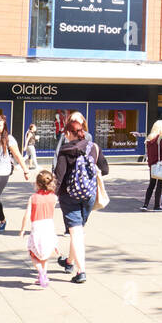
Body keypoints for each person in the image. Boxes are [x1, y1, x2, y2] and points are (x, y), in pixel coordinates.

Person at [54, 111, 107, 284]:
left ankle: (81, 270)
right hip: (89, 195)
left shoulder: (65, 150)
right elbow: (105, 170)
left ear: (69, 133)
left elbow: (59, 177)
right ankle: (69, 261)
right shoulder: (93, 147)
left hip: (69, 196)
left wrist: (51, 196)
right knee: (77, 231)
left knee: (75, 231)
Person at [19, 169, 61, 288]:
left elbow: (26, 215)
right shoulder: (54, 197)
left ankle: (41, 273)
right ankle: (44, 275)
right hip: (49, 226)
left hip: (37, 227)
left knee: (33, 253)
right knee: (45, 253)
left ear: (37, 183)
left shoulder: (33, 198)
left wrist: (22, 229)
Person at [143, 119, 162, 211]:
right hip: (160, 165)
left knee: (151, 185)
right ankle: (156, 206)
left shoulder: (149, 138)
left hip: (152, 165)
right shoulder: (161, 138)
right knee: (159, 185)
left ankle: (145, 205)